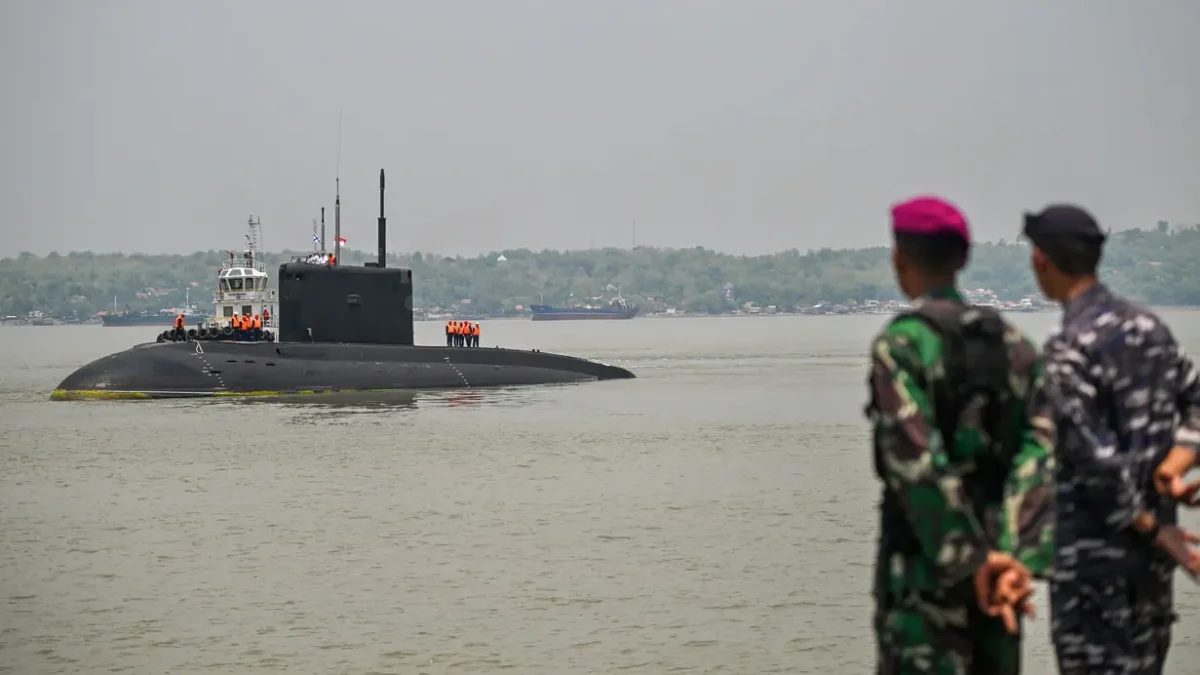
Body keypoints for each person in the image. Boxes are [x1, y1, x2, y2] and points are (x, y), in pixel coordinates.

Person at [867, 196, 1054, 674]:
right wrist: (1013, 559)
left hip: (925, 582)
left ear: (898, 259)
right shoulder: (1015, 347)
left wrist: (971, 563)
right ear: (964, 260)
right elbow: (1042, 455)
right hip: (1001, 580)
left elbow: (917, 463)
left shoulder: (903, 346)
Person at [1023, 203, 1200, 675]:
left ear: (1041, 260)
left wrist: (1151, 527)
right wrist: (1176, 466)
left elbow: (1094, 461)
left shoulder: (1068, 349)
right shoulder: (1150, 329)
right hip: (1154, 567)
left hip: (1095, 567)